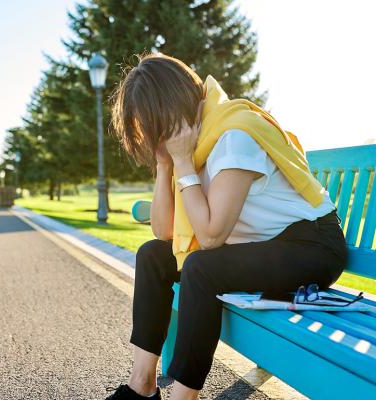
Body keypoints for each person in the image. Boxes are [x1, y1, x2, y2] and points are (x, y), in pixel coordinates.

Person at [106, 52, 348, 400]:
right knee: (153, 255)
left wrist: (184, 161)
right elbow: (164, 233)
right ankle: (141, 386)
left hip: (311, 246)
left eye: (150, 125)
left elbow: (210, 235)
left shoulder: (235, 135)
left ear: (170, 108)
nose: (150, 137)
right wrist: (164, 166)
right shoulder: (191, 144)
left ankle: (183, 397)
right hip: (261, 245)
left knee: (203, 268)